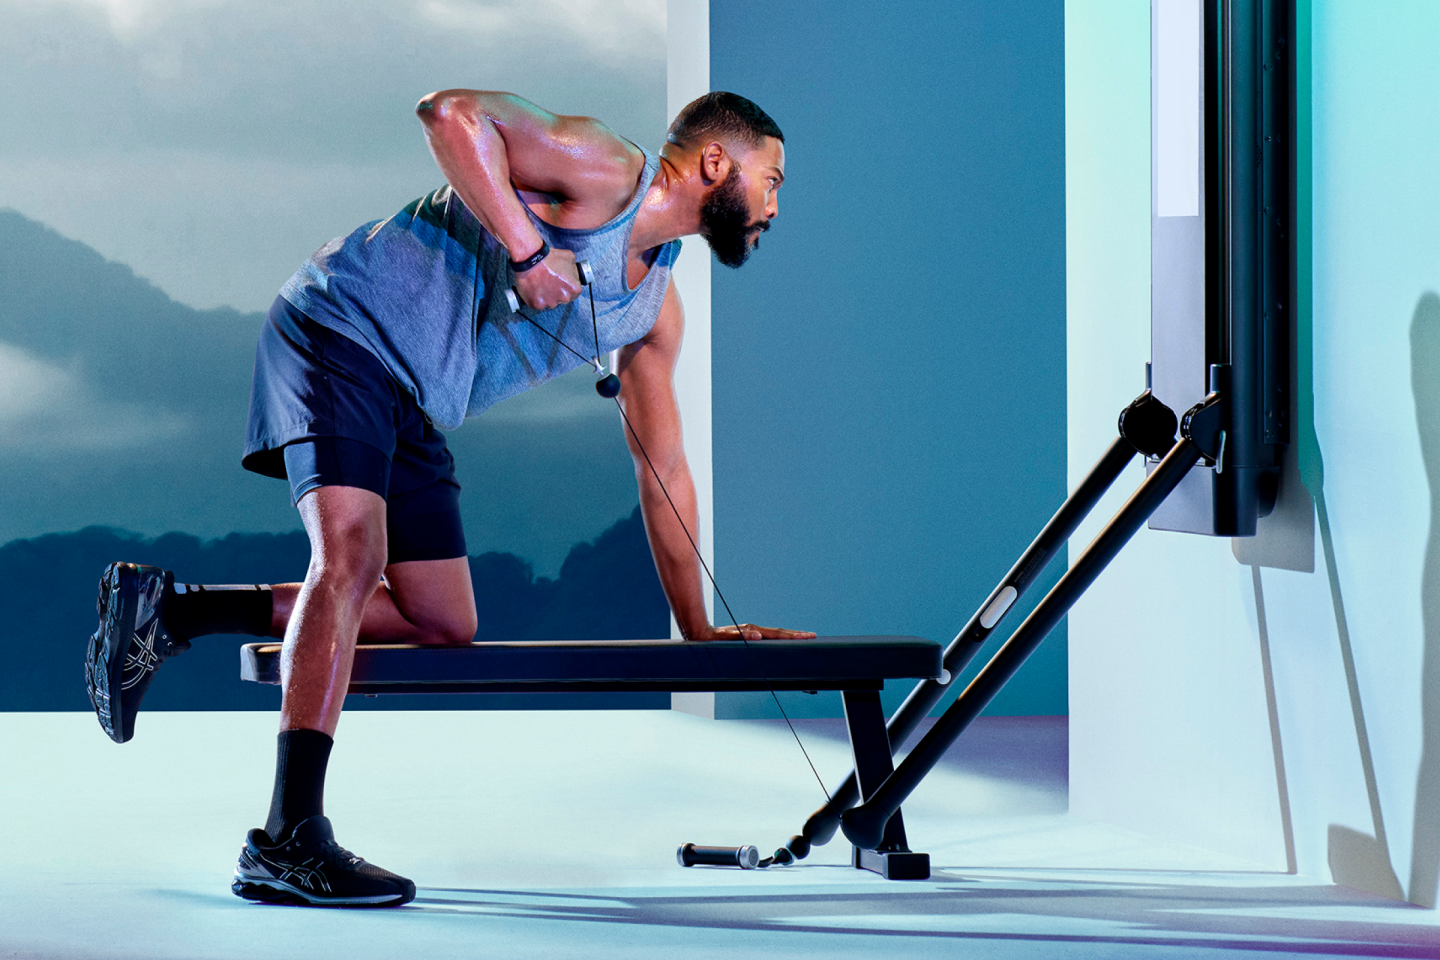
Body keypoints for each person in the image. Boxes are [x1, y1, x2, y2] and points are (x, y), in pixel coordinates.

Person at [83, 90, 814, 908]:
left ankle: (170, 613)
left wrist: (699, 628)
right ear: (716, 163)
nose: (774, 205)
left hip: (414, 395)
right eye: (772, 179)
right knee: (351, 558)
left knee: (442, 620)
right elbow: (449, 114)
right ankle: (288, 839)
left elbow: (664, 474)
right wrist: (532, 254)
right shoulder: (606, 170)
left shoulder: (652, 312)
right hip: (341, 326)